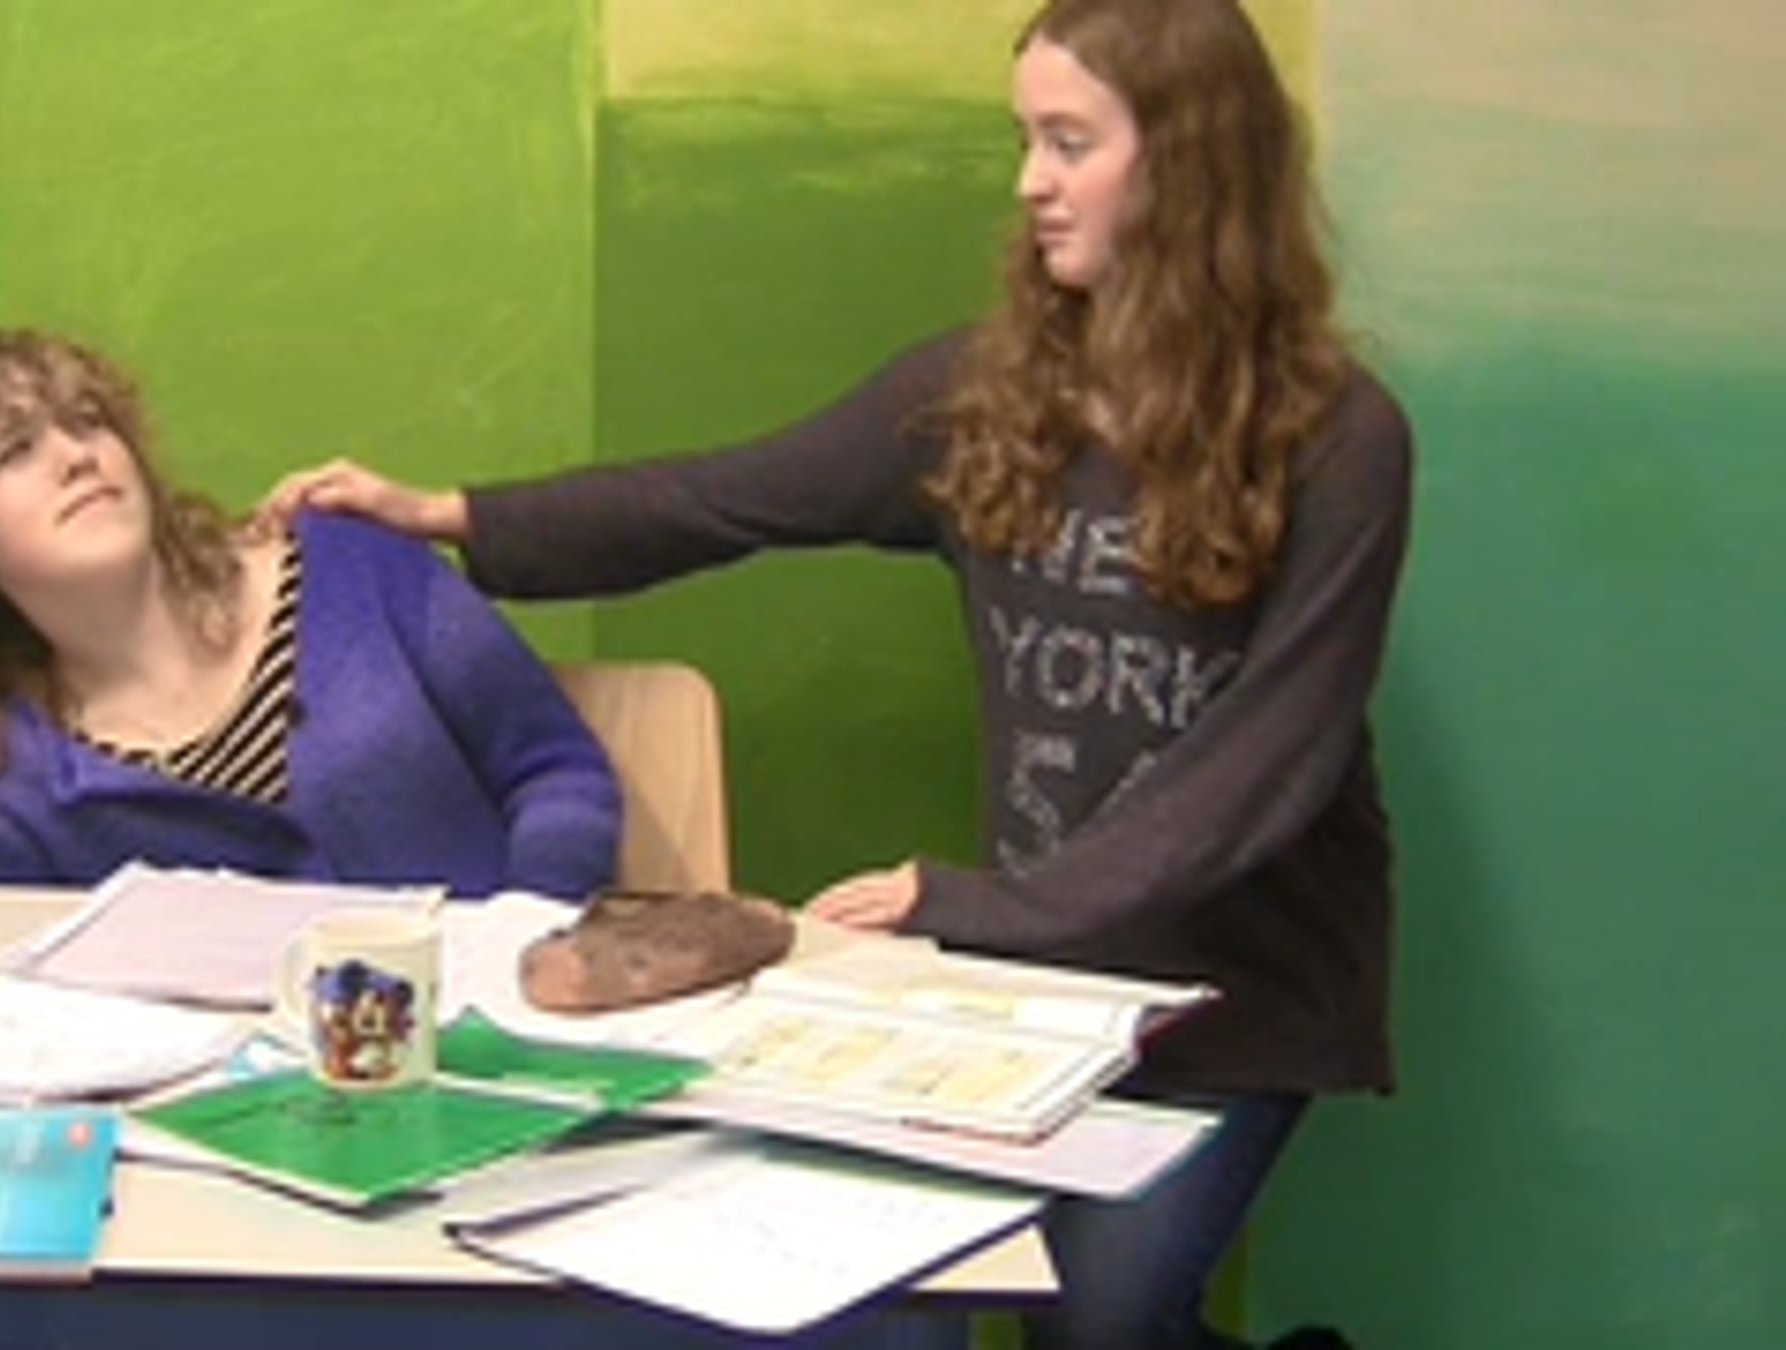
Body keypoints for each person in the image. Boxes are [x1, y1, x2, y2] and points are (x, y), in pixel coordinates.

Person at [262, 0, 1403, 1345]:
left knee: (1101, 1319)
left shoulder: (1341, 440)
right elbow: (727, 498)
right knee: (995, 1298)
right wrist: (448, 514)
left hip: (1241, 987)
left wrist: (974, 902)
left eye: (1069, 143)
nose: (1030, 183)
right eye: (1025, 141)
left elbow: (1261, 771)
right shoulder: (987, 396)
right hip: (1046, 978)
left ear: (1191, 158)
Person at [0, 329, 622, 901]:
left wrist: (524, 935)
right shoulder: (8, 790)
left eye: (88, 419)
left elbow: (557, 771)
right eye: (13, 452)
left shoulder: (351, 564)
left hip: (498, 1046)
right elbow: (63, 1024)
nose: (76, 456)